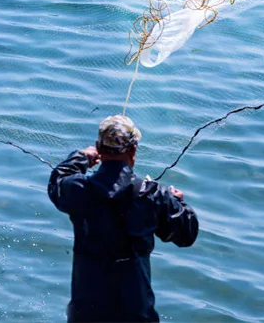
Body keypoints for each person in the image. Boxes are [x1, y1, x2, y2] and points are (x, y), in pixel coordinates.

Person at [48, 115, 199, 322]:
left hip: (86, 312)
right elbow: (186, 235)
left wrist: (81, 157)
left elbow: (57, 181)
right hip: (135, 311)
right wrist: (178, 203)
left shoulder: (79, 190)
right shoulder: (152, 195)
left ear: (98, 149)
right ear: (133, 150)